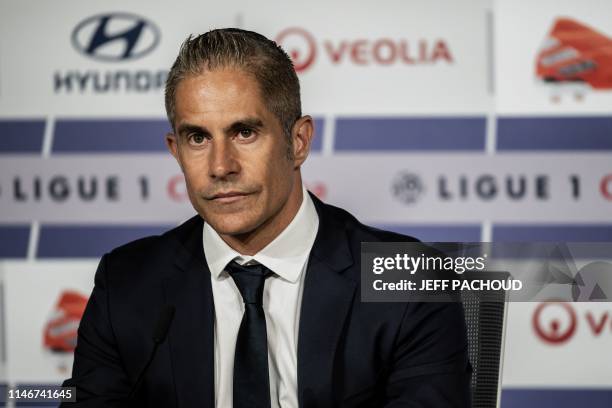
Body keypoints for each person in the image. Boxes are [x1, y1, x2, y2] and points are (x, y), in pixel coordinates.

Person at [61, 28, 471, 407]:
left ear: (298, 141)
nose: (221, 166)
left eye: (244, 132)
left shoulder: (409, 282)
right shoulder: (127, 285)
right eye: (198, 138)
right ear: (175, 150)